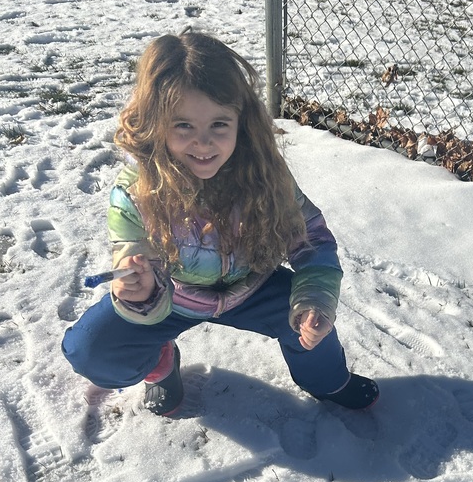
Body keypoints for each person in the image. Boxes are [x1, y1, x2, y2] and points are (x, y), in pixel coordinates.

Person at [62, 30, 378, 416]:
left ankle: (329, 381)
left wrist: (314, 298)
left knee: (312, 325)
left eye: (219, 124)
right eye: (183, 126)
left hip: (255, 286)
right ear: (156, 123)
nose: (204, 142)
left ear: (241, 122)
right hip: (173, 296)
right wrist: (139, 291)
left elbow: (311, 238)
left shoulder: (264, 174)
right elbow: (133, 256)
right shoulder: (136, 193)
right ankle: (160, 364)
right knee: (91, 349)